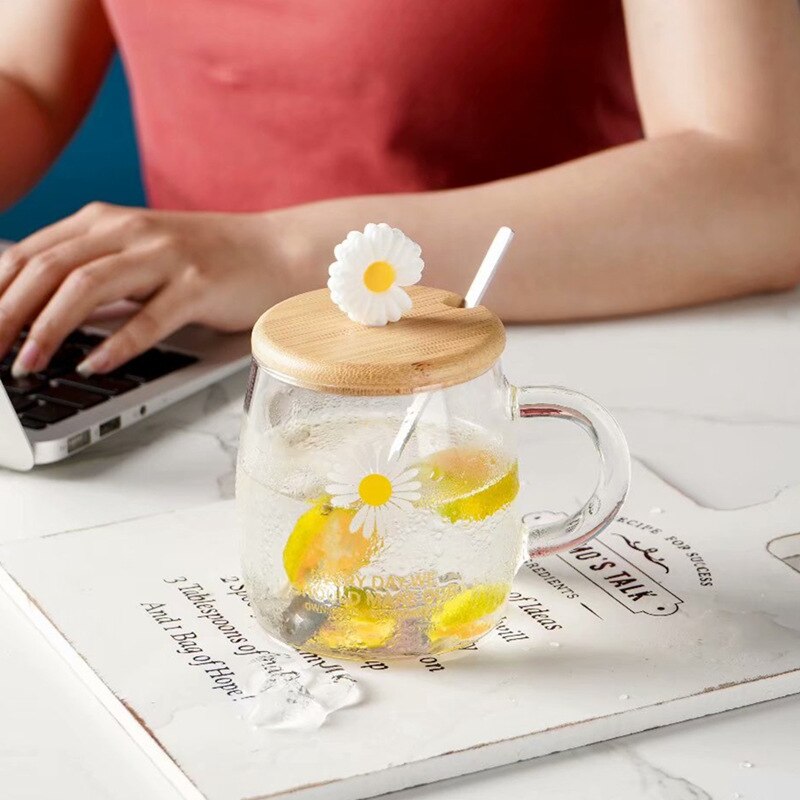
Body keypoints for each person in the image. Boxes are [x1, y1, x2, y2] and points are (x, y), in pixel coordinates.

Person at [0, 0, 799, 379]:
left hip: (538, 382)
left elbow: (759, 181)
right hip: (203, 367)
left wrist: (279, 253)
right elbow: (27, 76)